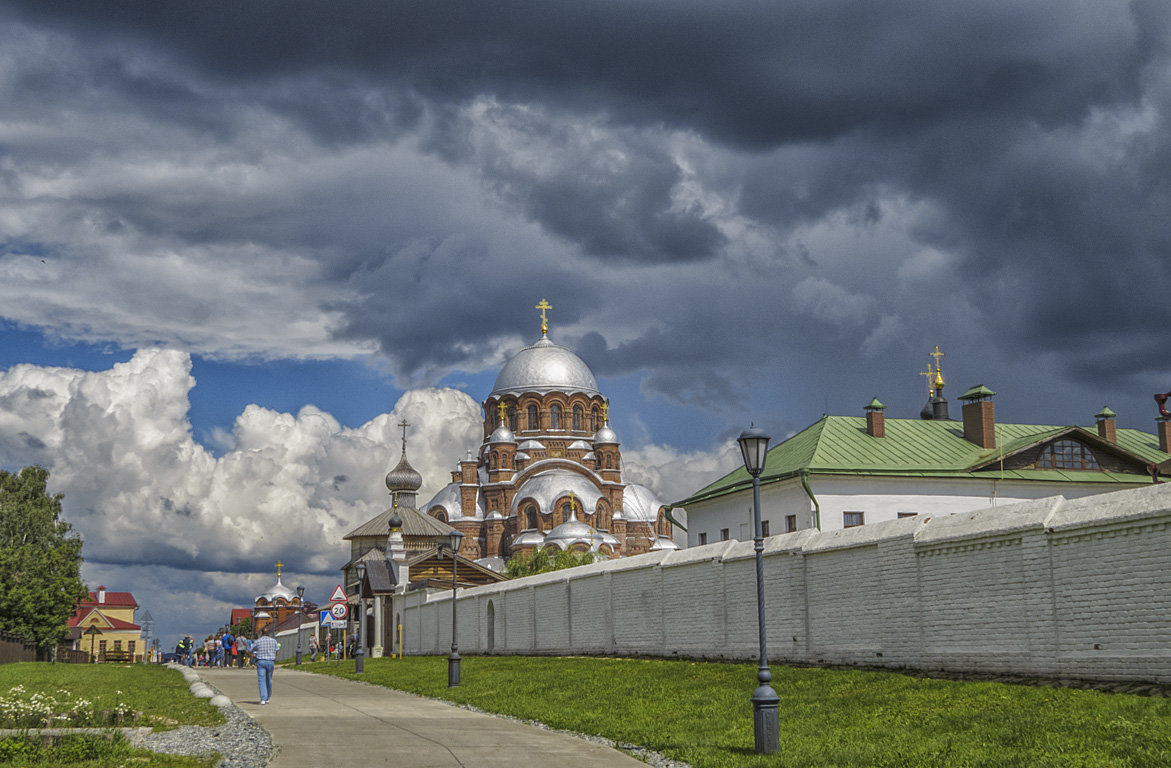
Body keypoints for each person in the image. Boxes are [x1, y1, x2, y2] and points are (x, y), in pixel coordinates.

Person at [252, 628, 279, 704]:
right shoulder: (273, 641)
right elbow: (277, 652)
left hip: (261, 661)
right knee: (269, 679)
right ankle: (268, 697)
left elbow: (251, 649)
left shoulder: (258, 641)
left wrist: (253, 654)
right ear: (269, 633)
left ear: (261, 633)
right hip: (270, 661)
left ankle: (263, 699)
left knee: (261, 680)